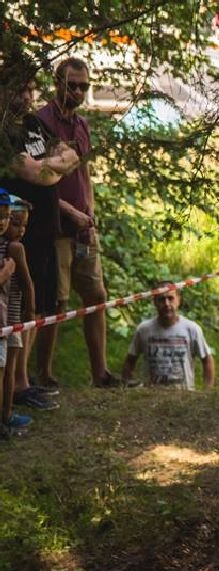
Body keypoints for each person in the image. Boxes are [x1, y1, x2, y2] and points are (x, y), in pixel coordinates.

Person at [37, 58, 122, 389]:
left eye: (83, 86)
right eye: (71, 85)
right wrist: (68, 211)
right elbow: (39, 180)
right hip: (55, 226)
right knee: (55, 301)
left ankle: (100, 372)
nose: (77, 91)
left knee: (96, 294)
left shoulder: (82, 125)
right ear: (57, 83)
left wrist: (89, 211)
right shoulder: (41, 122)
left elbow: (83, 173)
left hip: (85, 227)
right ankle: (43, 374)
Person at [1, 68, 79, 408]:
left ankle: (23, 382)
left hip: (46, 230)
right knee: (18, 309)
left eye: (30, 89)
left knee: (36, 307)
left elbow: (72, 155)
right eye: (20, 89)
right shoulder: (4, 131)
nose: (26, 97)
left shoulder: (34, 124)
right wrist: (54, 165)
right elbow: (37, 175)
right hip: (19, 233)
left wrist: (50, 164)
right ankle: (15, 386)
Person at [122, 284, 215, 390]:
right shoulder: (144, 329)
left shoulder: (192, 329)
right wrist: (126, 387)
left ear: (178, 300)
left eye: (170, 298)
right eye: (162, 299)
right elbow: (130, 360)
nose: (166, 304)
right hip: (151, 395)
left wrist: (207, 391)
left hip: (184, 395)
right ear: (155, 302)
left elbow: (207, 359)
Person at [4, 196, 39, 428]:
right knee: (7, 370)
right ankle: (6, 414)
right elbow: (28, 284)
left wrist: (29, 311)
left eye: (24, 225)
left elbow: (27, 284)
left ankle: (7, 412)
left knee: (9, 369)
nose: (21, 230)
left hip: (13, 318)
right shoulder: (11, 247)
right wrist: (30, 310)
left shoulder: (15, 247)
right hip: (8, 319)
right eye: (16, 224)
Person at [0, 190, 22, 437]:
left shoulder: (9, 247)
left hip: (5, 318)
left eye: (6, 216)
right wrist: (5, 274)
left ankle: (4, 418)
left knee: (4, 368)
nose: (2, 222)